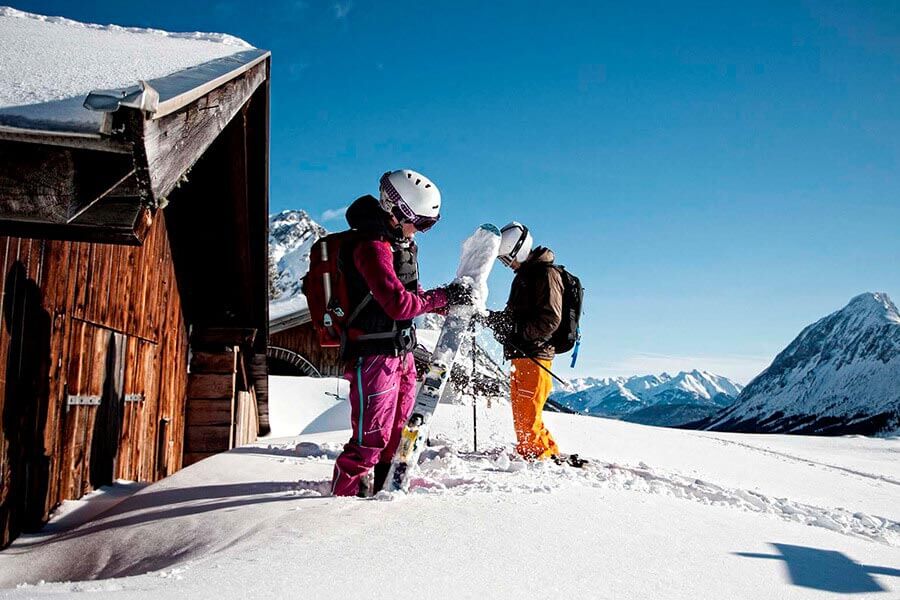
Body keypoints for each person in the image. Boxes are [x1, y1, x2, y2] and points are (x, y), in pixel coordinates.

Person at [330, 169, 471, 497]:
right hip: (374, 355)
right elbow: (398, 304)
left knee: (397, 435)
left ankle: (383, 496)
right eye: (419, 222)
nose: (419, 232)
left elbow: (414, 292)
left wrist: (453, 304)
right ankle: (337, 508)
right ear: (395, 210)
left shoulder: (399, 246)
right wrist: (445, 297)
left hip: (401, 353)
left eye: (427, 225)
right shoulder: (371, 247)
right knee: (369, 442)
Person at [486, 222, 581, 466]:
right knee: (524, 414)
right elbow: (513, 316)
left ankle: (538, 458)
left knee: (527, 415)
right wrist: (490, 319)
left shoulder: (546, 274)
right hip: (522, 354)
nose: (508, 265)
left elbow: (550, 319)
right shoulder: (524, 278)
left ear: (518, 249)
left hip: (536, 355)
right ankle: (546, 451)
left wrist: (517, 331)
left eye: (507, 259)